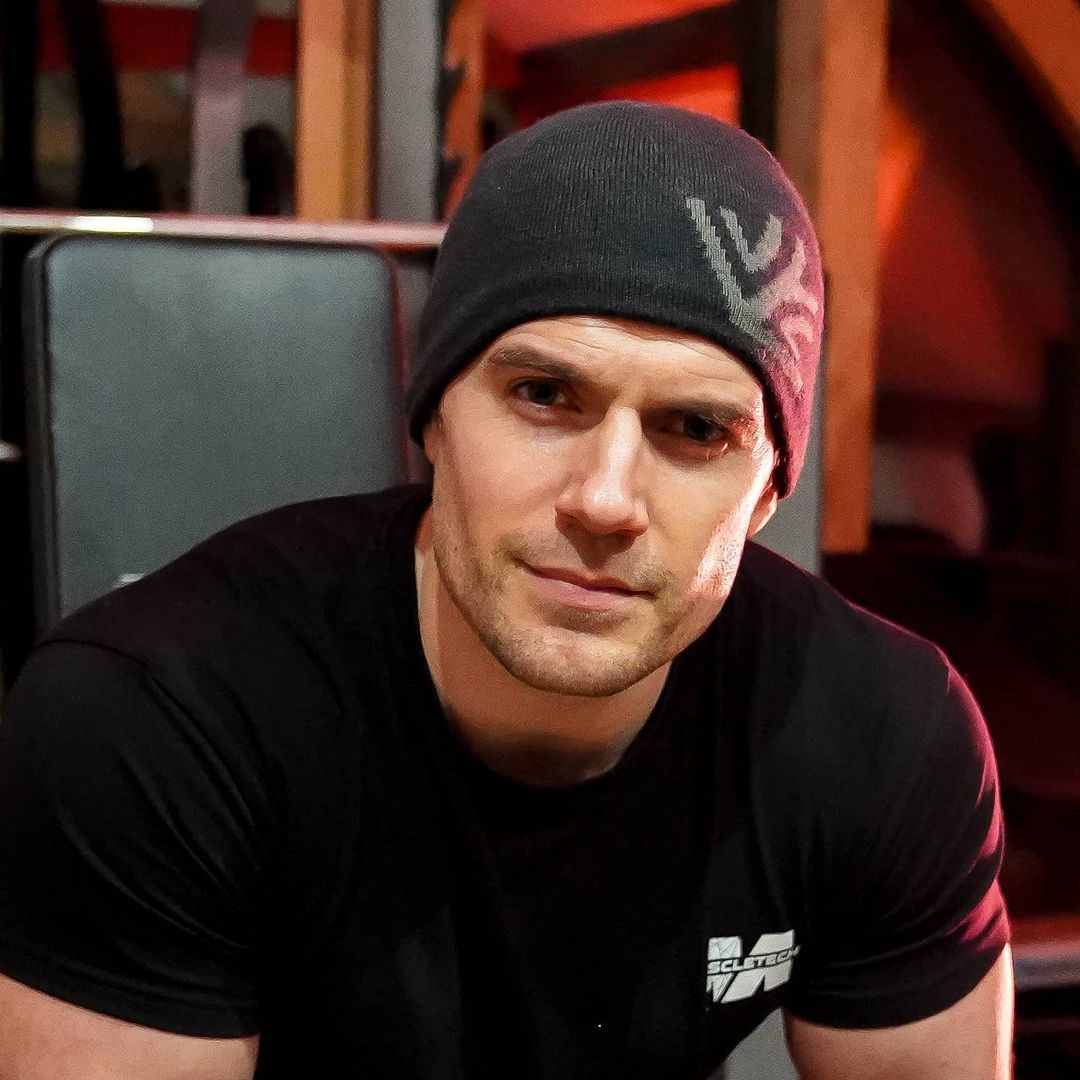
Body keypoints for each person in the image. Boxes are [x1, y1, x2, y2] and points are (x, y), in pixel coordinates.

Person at [0, 102, 1011, 1078]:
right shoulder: (156, 720)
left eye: (697, 430)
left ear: (767, 493)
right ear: (435, 421)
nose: (605, 500)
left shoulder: (882, 734)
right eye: (544, 395)